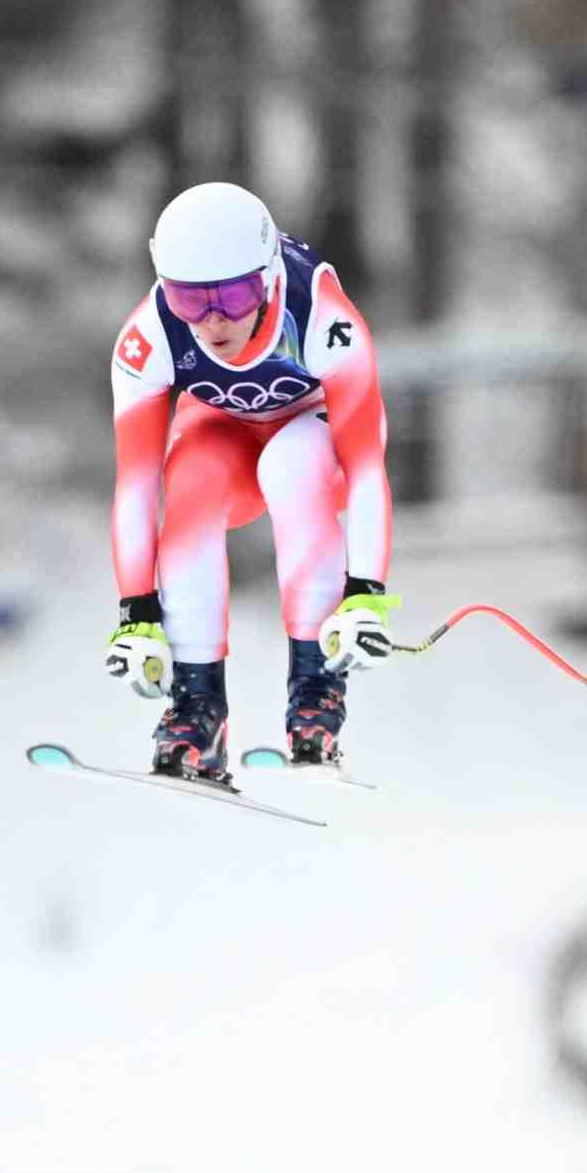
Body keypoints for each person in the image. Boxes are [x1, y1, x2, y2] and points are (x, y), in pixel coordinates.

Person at [104, 181, 401, 778]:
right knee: (189, 476)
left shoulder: (321, 315)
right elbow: (136, 484)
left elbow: (366, 465)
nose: (213, 321)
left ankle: (316, 695)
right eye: (191, 301)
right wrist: (136, 615)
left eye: (234, 296)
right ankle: (196, 710)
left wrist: (366, 593)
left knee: (290, 465)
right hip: (227, 435)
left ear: (266, 278)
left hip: (317, 437)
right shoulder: (148, 338)